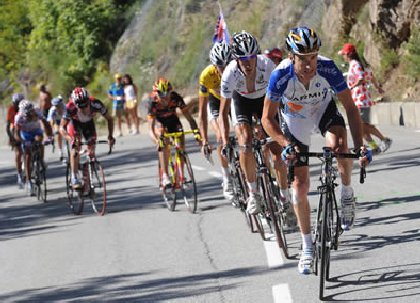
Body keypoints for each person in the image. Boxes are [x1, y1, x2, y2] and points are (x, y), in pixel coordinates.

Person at [262, 26, 371, 275]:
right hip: (295, 121)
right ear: (292, 57)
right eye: (303, 59)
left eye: (313, 57)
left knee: (340, 147)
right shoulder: (280, 75)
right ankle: (308, 246)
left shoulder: (328, 67)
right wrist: (283, 143)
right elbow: (267, 119)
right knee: (299, 187)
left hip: (323, 111)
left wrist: (360, 146)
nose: (310, 64)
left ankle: (345, 191)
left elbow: (351, 109)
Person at [219, 30, 293, 219]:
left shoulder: (267, 65)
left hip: (264, 101)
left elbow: (282, 97)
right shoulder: (229, 74)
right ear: (235, 59)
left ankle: (285, 198)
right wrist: (225, 140)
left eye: (251, 57)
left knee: (277, 149)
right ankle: (254, 194)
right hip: (241, 101)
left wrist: (282, 128)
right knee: (245, 141)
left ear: (257, 55)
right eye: (242, 58)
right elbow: (223, 112)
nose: (248, 62)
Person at [338, 42, 392, 153]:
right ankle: (374, 147)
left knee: (362, 126)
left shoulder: (355, 64)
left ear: (348, 54)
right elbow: (370, 76)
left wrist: (351, 87)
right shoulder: (357, 64)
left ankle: (384, 140)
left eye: (344, 54)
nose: (343, 56)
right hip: (358, 99)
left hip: (361, 99)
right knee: (361, 128)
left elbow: (361, 78)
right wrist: (378, 87)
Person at [198, 41, 233, 200]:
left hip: (233, 99)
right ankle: (227, 178)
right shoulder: (206, 76)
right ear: (214, 65)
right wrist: (204, 139)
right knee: (220, 136)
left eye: (227, 64)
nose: (224, 69)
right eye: (220, 66)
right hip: (216, 101)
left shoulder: (236, 69)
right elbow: (202, 113)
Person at [147, 77, 198, 188]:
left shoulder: (176, 98)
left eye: (167, 93)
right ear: (156, 93)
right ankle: (165, 175)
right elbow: (150, 129)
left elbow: (190, 118)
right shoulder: (153, 102)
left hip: (173, 121)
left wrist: (197, 133)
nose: (165, 97)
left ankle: (181, 175)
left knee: (181, 145)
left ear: (171, 92)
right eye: (161, 94)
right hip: (160, 123)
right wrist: (156, 141)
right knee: (163, 142)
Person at [60, 87, 114, 189]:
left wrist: (110, 136)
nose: (83, 108)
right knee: (75, 148)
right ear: (75, 104)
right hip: (75, 125)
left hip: (89, 125)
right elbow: (61, 128)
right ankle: (74, 176)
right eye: (80, 106)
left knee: (91, 150)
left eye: (85, 105)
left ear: (89, 100)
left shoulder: (96, 103)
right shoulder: (70, 107)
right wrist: (71, 139)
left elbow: (109, 119)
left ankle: (87, 175)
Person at [14, 100, 53, 195]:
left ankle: (41, 160)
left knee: (40, 141)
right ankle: (29, 182)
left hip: (36, 131)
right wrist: (22, 142)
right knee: (27, 154)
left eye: (30, 114)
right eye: (26, 115)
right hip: (25, 134)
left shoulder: (37, 111)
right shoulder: (18, 117)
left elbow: (46, 125)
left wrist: (50, 136)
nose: (29, 117)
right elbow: (16, 134)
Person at [6, 93, 25, 188]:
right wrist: (11, 138)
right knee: (18, 153)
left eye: (19, 103)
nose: (17, 105)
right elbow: (8, 126)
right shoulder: (11, 109)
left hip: (25, 128)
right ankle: (19, 175)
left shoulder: (25, 107)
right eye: (15, 103)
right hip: (15, 130)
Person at [47, 95, 66, 162]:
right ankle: (60, 150)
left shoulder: (65, 107)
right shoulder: (52, 110)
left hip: (65, 119)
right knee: (57, 133)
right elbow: (52, 123)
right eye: (56, 106)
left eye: (59, 106)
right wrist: (55, 131)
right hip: (57, 121)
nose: (57, 107)